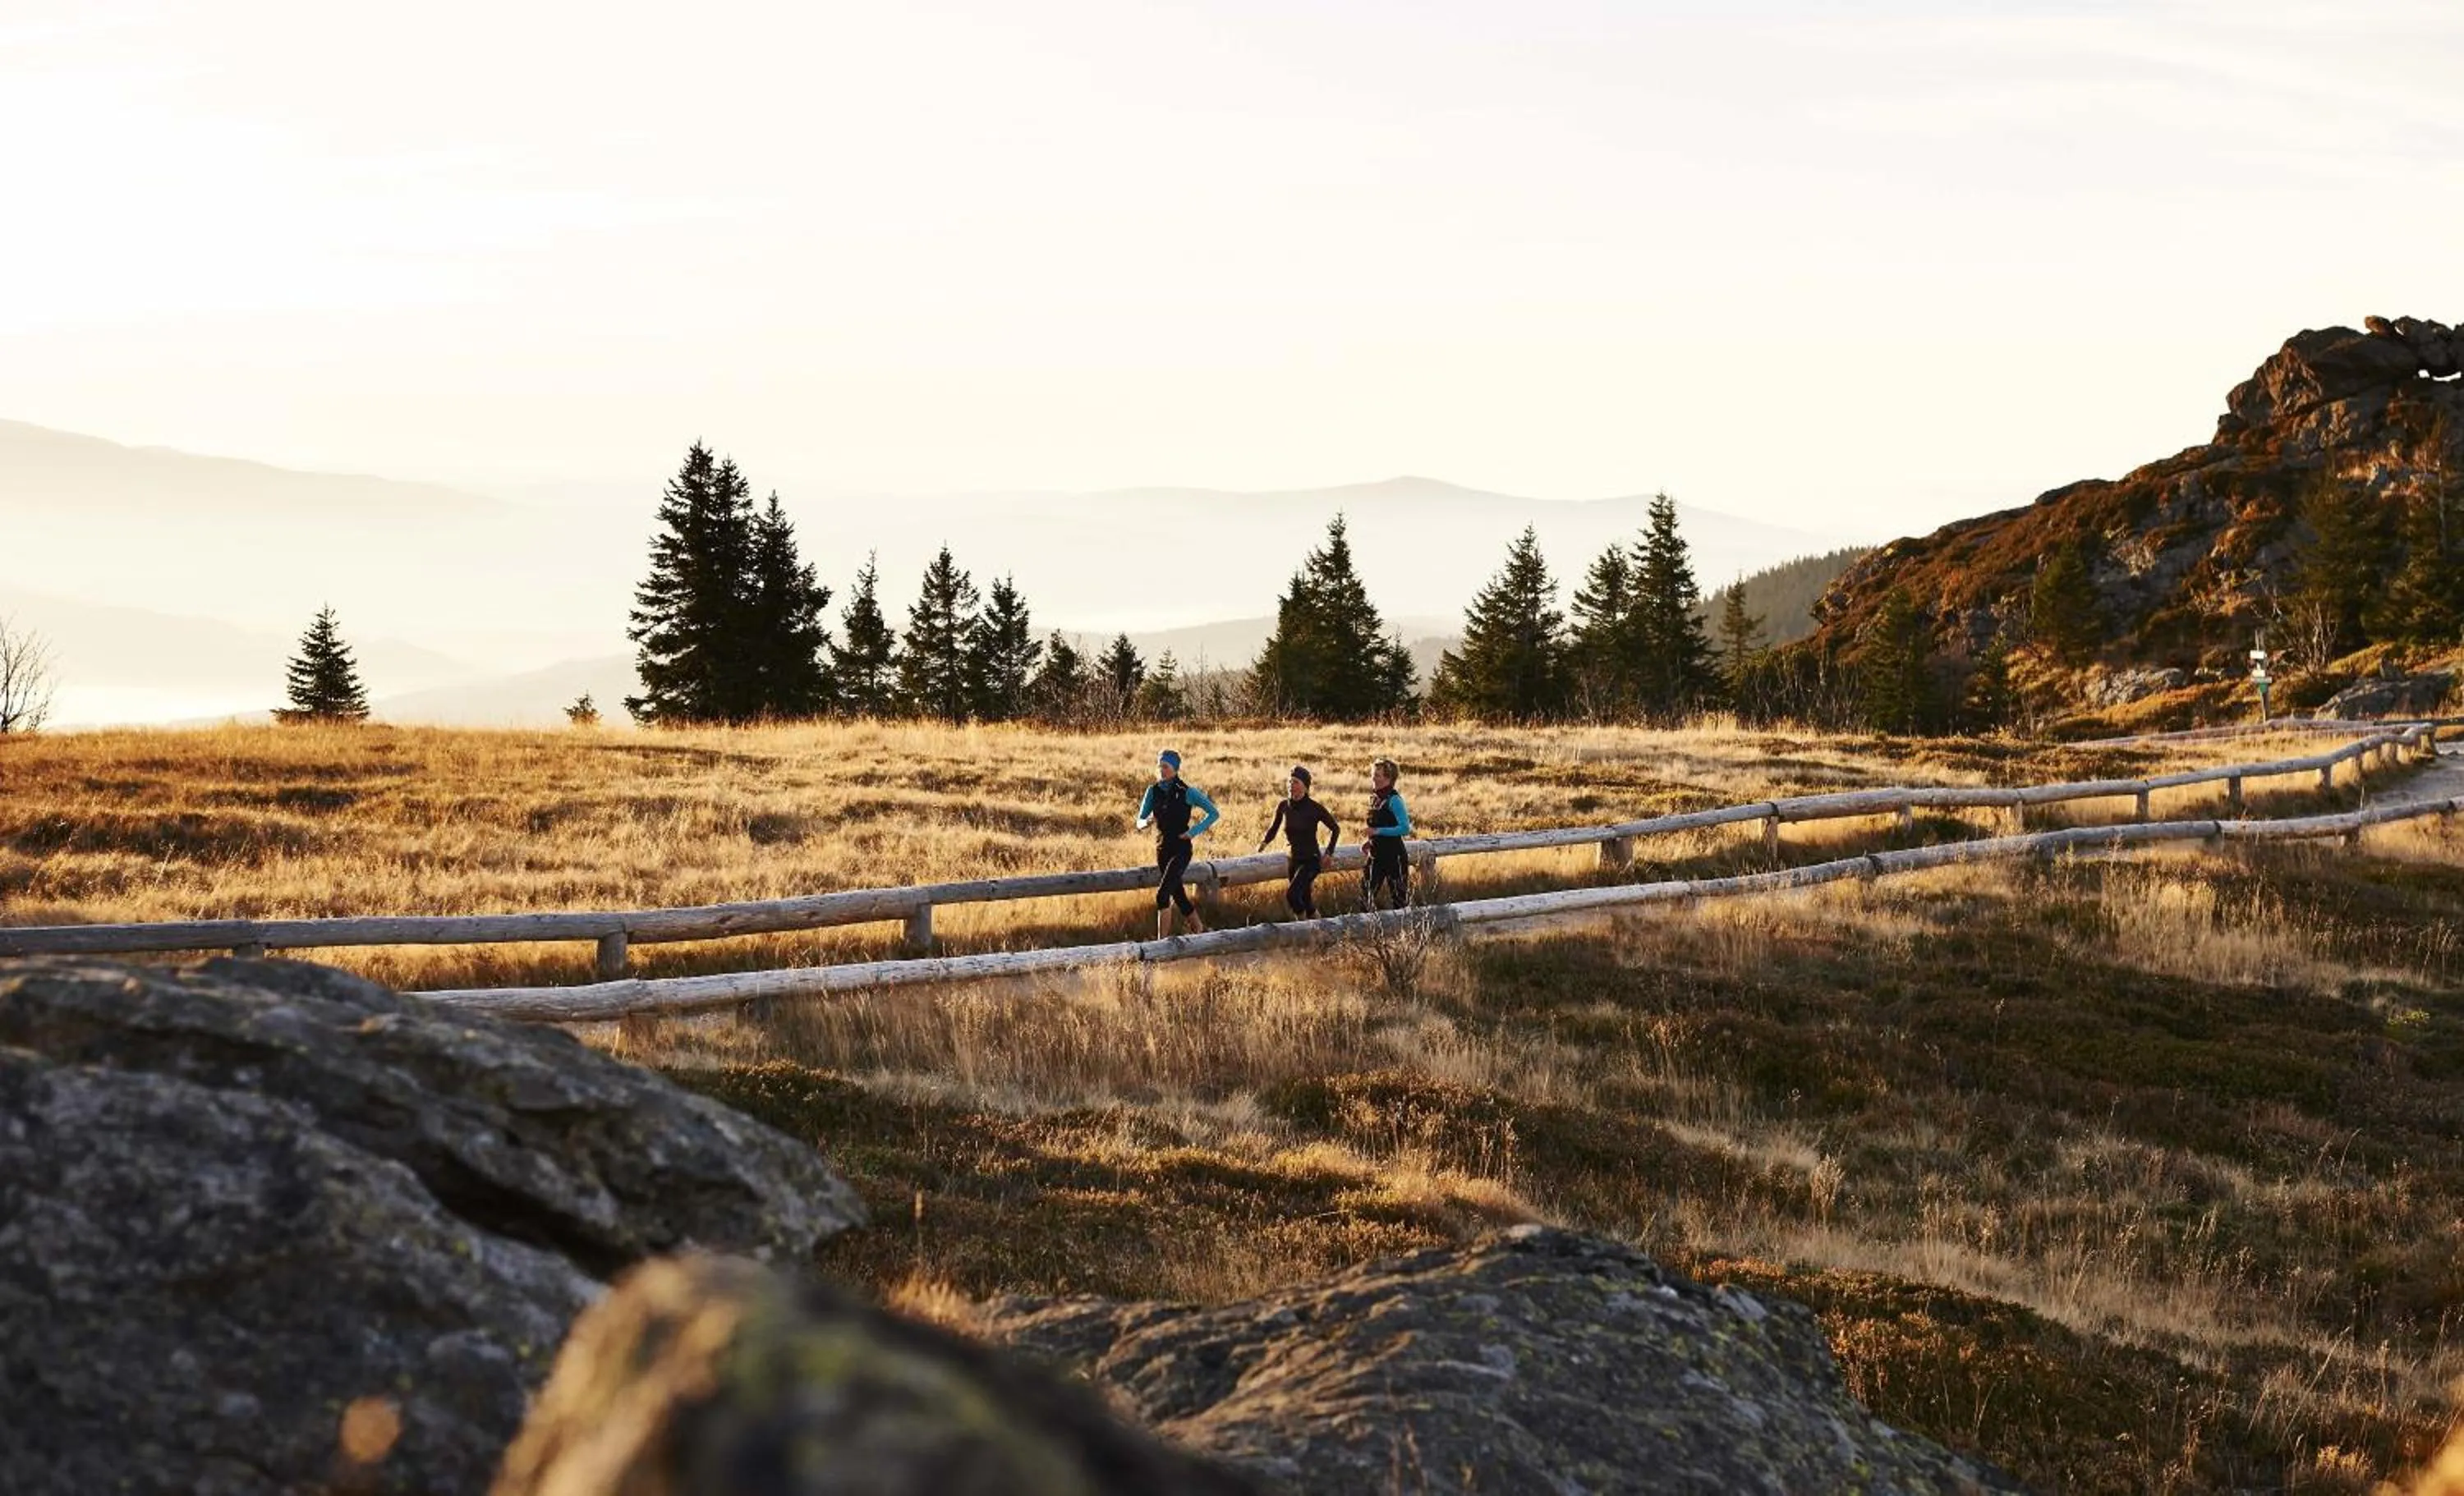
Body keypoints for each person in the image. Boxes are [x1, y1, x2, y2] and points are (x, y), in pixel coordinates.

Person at [1134, 748, 1220, 937]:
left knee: (1162, 895)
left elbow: (1214, 813)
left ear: (1175, 768)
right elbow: (1139, 821)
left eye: (1165, 766)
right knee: (1178, 894)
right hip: (1162, 848)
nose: (1162, 770)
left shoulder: (1187, 791)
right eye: (1159, 766)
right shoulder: (1152, 791)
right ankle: (1199, 928)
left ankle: (1162, 943)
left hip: (1181, 849)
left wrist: (1193, 832)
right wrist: (1147, 822)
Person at [1257, 764, 1340, 918]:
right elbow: (1274, 828)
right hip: (1292, 860)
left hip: (1311, 860)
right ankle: (1319, 933)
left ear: (1305, 787)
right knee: (1306, 902)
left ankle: (1302, 931)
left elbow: (1336, 829)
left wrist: (1329, 853)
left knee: (1292, 896)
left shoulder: (1315, 808)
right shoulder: (1283, 806)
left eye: (1295, 782)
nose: (1291, 785)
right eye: (1289, 781)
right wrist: (1264, 843)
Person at [1364, 757, 1413, 909]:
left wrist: (1377, 831)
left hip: (1394, 857)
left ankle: (1405, 932)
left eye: (1378, 775)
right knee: (1365, 897)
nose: (1373, 778)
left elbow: (1405, 828)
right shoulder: (1374, 799)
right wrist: (1370, 840)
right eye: (1373, 774)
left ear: (1388, 778)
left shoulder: (1395, 800)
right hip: (1375, 855)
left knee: (1399, 901)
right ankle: (1369, 931)